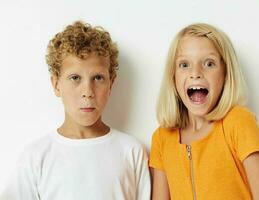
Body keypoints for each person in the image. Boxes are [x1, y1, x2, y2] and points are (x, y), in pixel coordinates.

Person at [1, 21, 150, 200]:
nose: (88, 92)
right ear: (56, 85)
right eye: (75, 78)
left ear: (111, 84)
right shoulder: (35, 157)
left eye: (98, 78)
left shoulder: (131, 151)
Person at [149, 23, 259, 200]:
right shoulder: (162, 138)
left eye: (209, 63)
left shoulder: (239, 122)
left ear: (225, 73)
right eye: (184, 64)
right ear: (173, 76)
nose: (196, 73)